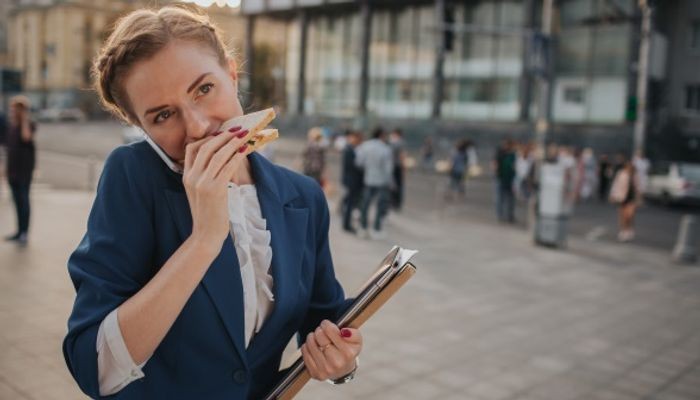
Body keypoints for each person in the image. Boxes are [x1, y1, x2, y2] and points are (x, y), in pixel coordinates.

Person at [62, 7, 362, 399]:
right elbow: (94, 368)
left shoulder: (302, 196)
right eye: (163, 115)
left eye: (204, 89)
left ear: (232, 75)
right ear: (141, 128)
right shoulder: (133, 176)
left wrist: (342, 361)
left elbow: (320, 319)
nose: (199, 128)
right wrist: (204, 239)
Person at [4, 95, 37, 246]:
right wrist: (4, 169)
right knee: (17, 203)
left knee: (24, 202)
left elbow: (26, 138)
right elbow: (9, 150)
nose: (12, 112)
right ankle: (18, 232)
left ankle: (25, 233)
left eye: (15, 109)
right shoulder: (11, 127)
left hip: (24, 172)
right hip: (12, 171)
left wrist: (24, 118)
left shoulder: (28, 125)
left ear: (22, 110)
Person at [356, 127, 393, 240]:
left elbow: (359, 162)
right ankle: (376, 229)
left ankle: (363, 228)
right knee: (379, 205)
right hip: (381, 181)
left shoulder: (364, 146)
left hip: (368, 179)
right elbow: (388, 168)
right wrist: (389, 181)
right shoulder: (385, 149)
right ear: (382, 135)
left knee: (365, 204)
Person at [609, 159, 640, 242]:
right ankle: (623, 231)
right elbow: (616, 184)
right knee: (622, 216)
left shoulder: (635, 175)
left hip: (631, 198)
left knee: (630, 215)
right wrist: (612, 195)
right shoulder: (621, 174)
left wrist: (639, 198)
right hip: (622, 197)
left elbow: (638, 187)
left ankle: (629, 229)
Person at [341, 131, 364, 234]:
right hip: (352, 180)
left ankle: (347, 223)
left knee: (349, 202)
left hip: (351, 180)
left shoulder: (351, 149)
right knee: (350, 203)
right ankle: (346, 224)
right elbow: (352, 166)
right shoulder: (349, 150)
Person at [493, 138, 516, 223]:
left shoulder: (514, 155)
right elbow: (495, 163)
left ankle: (509, 216)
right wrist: (496, 172)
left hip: (511, 179)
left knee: (510, 199)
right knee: (500, 198)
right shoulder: (500, 153)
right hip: (501, 178)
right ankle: (500, 215)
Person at [388, 128, 406, 211]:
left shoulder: (398, 142)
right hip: (395, 166)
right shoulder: (395, 142)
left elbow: (402, 156)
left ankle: (395, 203)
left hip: (396, 166)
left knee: (396, 186)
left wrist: (403, 167)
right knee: (395, 185)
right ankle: (394, 203)